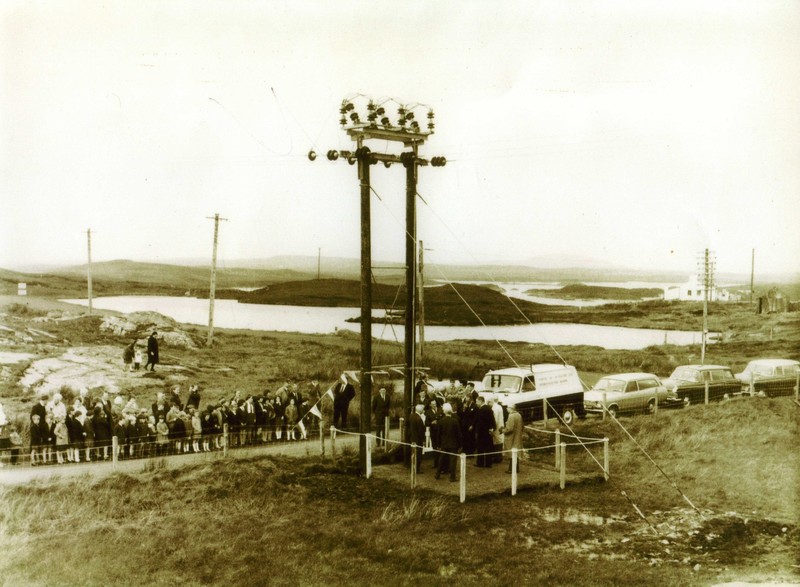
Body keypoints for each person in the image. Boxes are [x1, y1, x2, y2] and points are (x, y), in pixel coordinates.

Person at [435, 403, 461, 482]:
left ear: (444, 411)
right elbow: (459, 434)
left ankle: (437, 474)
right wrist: (460, 445)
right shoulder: (455, 421)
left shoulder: (441, 421)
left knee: (441, 459)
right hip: (453, 444)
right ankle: (452, 477)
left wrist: (438, 444)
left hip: (444, 443)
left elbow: (438, 434)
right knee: (453, 461)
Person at [474, 396, 495, 468]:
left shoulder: (481, 410)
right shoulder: (489, 408)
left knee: (480, 448)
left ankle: (480, 462)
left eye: (477, 401)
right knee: (488, 447)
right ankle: (488, 463)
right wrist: (492, 428)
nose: (476, 403)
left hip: (482, 432)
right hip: (488, 431)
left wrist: (477, 431)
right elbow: (492, 420)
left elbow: (480, 422)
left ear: (481, 401)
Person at [503, 404, 524, 473]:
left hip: (512, 437)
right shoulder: (519, 415)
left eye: (507, 408)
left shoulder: (511, 416)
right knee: (516, 452)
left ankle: (512, 469)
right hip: (517, 436)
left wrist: (503, 430)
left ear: (510, 408)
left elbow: (509, 428)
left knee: (511, 452)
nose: (506, 409)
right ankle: (516, 468)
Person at [408, 404, 426, 473]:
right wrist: (423, 440)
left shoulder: (411, 416)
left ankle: (412, 467)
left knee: (413, 453)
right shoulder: (419, 419)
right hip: (418, 439)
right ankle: (417, 469)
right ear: (421, 410)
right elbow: (421, 431)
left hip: (412, 437)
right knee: (418, 455)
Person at [489, 395, 505, 464]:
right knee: (499, 441)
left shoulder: (494, 408)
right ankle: (498, 456)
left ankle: (497, 457)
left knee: (496, 441)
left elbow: (495, 419)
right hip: (501, 425)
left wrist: (492, 428)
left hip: (497, 427)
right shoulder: (499, 406)